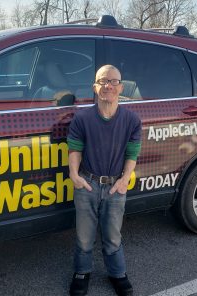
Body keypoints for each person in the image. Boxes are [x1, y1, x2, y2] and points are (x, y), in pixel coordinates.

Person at [67, 65, 142, 296]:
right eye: (102, 81)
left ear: (120, 87)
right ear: (95, 87)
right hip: (87, 185)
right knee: (84, 236)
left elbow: (132, 153)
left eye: (113, 81)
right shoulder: (82, 118)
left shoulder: (131, 120)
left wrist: (124, 181)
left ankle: (117, 274)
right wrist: (74, 175)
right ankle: (82, 273)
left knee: (112, 236)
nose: (107, 85)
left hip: (115, 187)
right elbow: (75, 149)